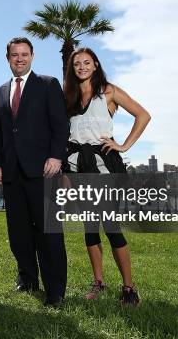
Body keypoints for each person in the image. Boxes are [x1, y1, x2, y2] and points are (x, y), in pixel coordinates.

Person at [62, 47, 150, 306]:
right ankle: (98, 282)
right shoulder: (69, 95)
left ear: (96, 65)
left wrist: (123, 145)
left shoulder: (109, 91)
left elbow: (143, 115)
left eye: (86, 62)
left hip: (103, 166)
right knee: (90, 227)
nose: (81, 67)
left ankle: (129, 289)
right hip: (77, 165)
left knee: (110, 226)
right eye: (77, 63)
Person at [0, 37, 69, 307]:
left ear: (32, 56)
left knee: (49, 232)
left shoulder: (47, 85)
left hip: (44, 170)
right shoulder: (0, 92)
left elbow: (61, 125)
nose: (19, 59)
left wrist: (57, 156)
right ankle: (27, 279)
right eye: (14, 55)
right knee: (19, 232)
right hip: (11, 172)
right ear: (8, 58)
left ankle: (55, 291)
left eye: (24, 54)